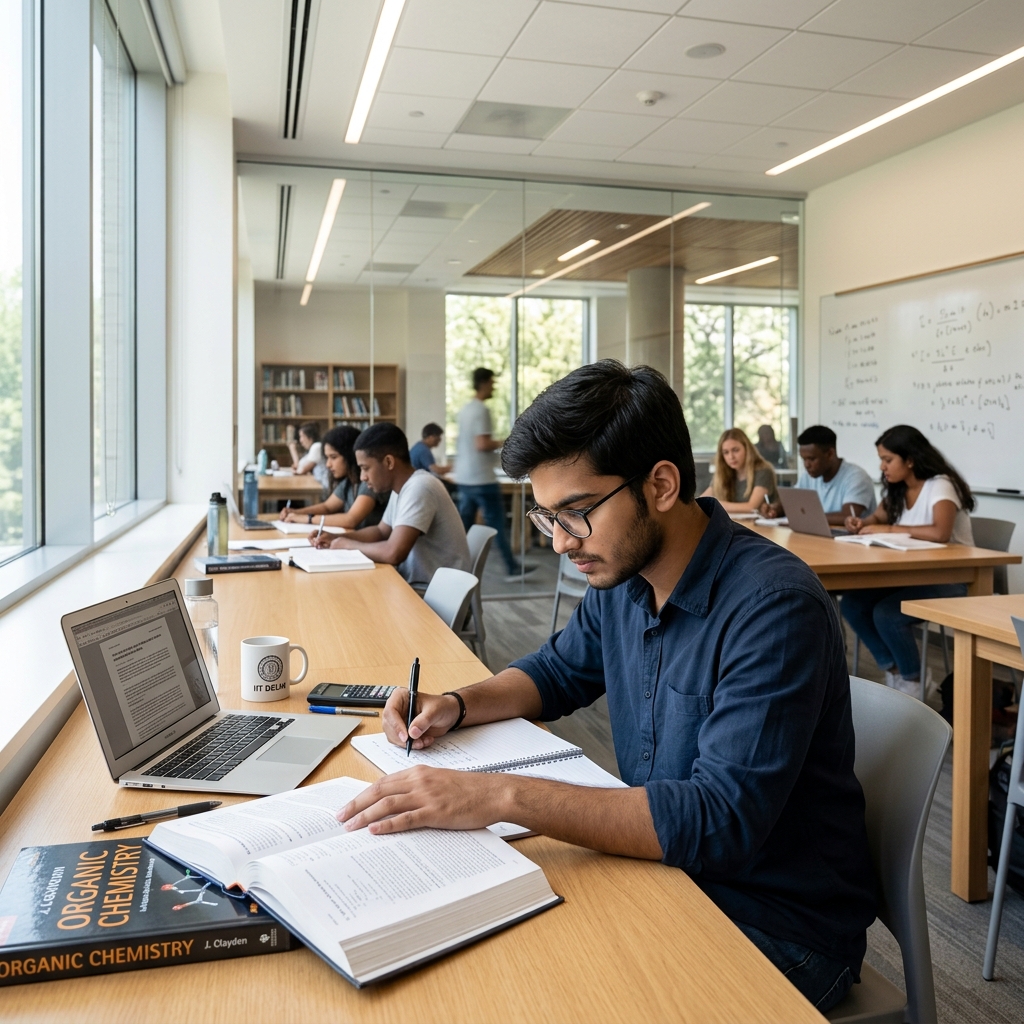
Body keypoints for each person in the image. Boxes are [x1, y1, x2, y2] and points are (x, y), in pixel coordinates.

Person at [336, 361, 876, 1013]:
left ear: (662, 484)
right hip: (670, 872)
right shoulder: (625, 576)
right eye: (547, 518)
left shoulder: (772, 608)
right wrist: (455, 704)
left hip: (775, 924)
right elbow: (558, 673)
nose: (561, 543)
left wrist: (499, 794)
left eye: (576, 513)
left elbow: (719, 820)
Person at [841, 424, 975, 700]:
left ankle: (914, 681)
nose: (882, 466)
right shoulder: (898, 488)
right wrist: (862, 522)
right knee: (853, 604)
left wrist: (890, 529)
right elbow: (877, 519)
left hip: (953, 579)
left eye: (888, 460)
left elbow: (940, 532)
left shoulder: (941, 484)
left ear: (910, 460)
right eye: (881, 459)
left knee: (887, 614)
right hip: (912, 576)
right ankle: (896, 672)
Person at [316, 422, 470, 589]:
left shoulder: (420, 487)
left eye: (365, 468)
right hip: (418, 586)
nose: (362, 477)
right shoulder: (402, 488)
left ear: (389, 462)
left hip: (435, 595)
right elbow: (381, 531)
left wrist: (347, 545)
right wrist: (338, 538)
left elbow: (393, 553)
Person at [455, 367, 534, 580]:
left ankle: (455, 568)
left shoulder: (465, 409)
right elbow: (482, 443)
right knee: (497, 523)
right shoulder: (481, 410)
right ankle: (511, 567)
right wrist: (509, 441)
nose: (494, 387)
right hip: (481, 478)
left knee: (465, 527)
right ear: (483, 383)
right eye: (492, 383)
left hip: (464, 477)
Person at [762, 425, 876, 525]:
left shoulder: (856, 477)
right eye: (804, 459)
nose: (807, 465)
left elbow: (848, 516)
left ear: (830, 454)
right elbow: (791, 503)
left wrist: (807, 518)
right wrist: (775, 509)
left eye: (811, 459)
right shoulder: (808, 475)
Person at [281, 425, 387, 530]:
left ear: (350, 455)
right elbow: (327, 507)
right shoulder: (348, 482)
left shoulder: (368, 482)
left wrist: (307, 518)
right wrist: (294, 512)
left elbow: (351, 519)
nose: (328, 464)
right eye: (327, 458)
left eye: (333, 457)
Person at [701, 428, 779, 513]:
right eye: (726, 452)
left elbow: (752, 507)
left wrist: (715, 504)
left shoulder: (763, 471)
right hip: (733, 524)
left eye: (735, 450)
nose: (731, 457)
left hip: (760, 525)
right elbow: (701, 501)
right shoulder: (723, 473)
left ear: (747, 449)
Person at [287, 422, 329, 491]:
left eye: (302, 436)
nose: (300, 441)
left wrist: (293, 451)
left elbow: (300, 471)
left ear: (310, 437)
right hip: (317, 485)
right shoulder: (312, 449)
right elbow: (298, 467)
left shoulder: (316, 447)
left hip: (322, 487)